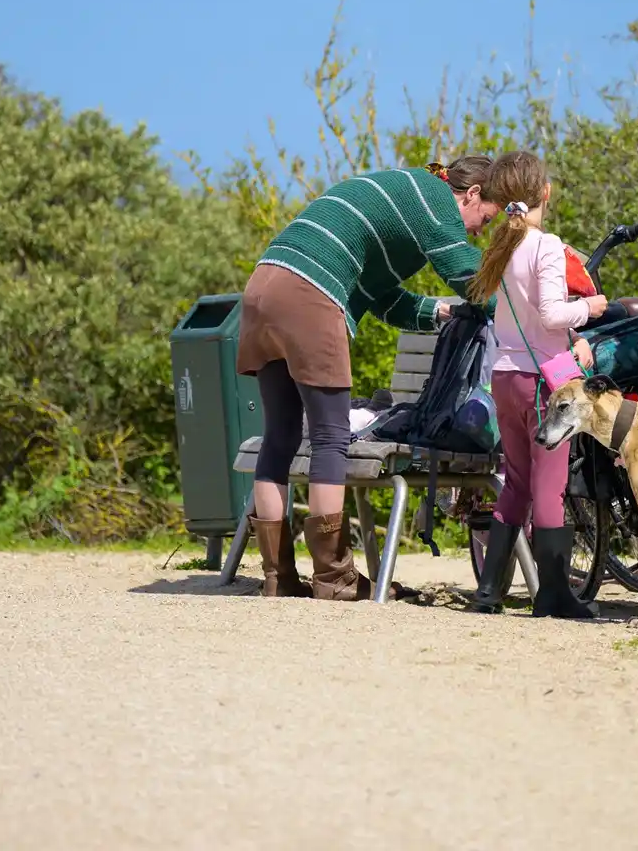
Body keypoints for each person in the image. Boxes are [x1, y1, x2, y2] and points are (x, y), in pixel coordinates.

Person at [236, 156, 501, 601]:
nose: (478, 232)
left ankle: (277, 577)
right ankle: (334, 578)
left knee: (280, 437)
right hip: (309, 293)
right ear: (472, 194)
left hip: (264, 285)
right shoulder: (435, 199)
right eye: (485, 220)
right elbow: (471, 276)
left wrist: (438, 311)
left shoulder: (406, 193)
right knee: (330, 437)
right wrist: (527, 312)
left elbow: (380, 298)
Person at [464, 151, 608, 619]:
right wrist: (590, 309)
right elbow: (550, 314)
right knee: (549, 487)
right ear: (545, 192)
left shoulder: (501, 247)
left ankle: (489, 591)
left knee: (517, 484)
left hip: (505, 376)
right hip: (544, 383)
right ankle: (553, 594)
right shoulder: (545, 245)